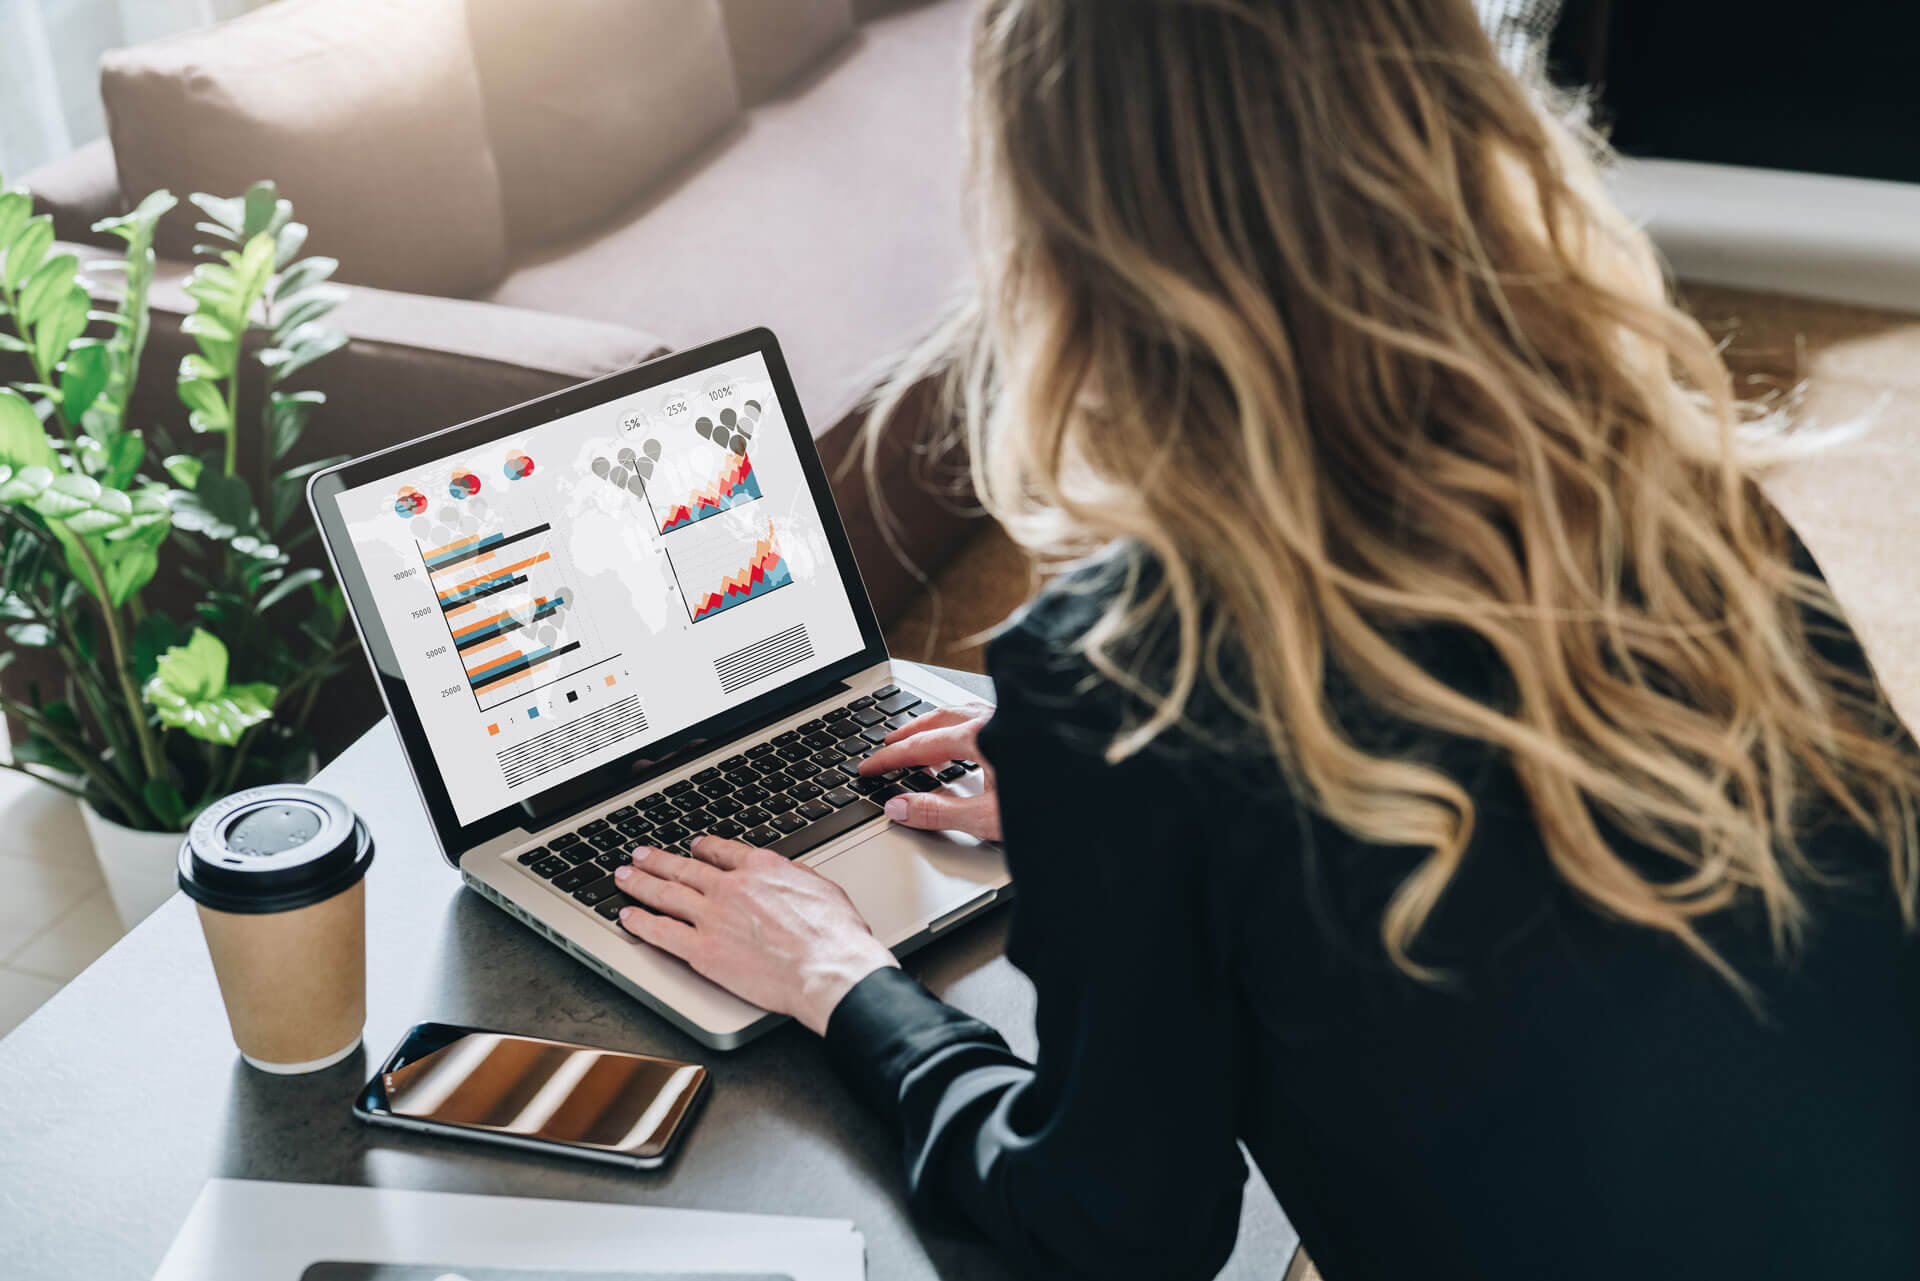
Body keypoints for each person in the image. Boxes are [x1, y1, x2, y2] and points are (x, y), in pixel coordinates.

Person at [609, 2, 1920, 1277]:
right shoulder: (1681, 488)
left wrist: (847, 980)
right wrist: (1112, 827)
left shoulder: (1125, 676)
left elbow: (1116, 1232)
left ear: (1071, 219)